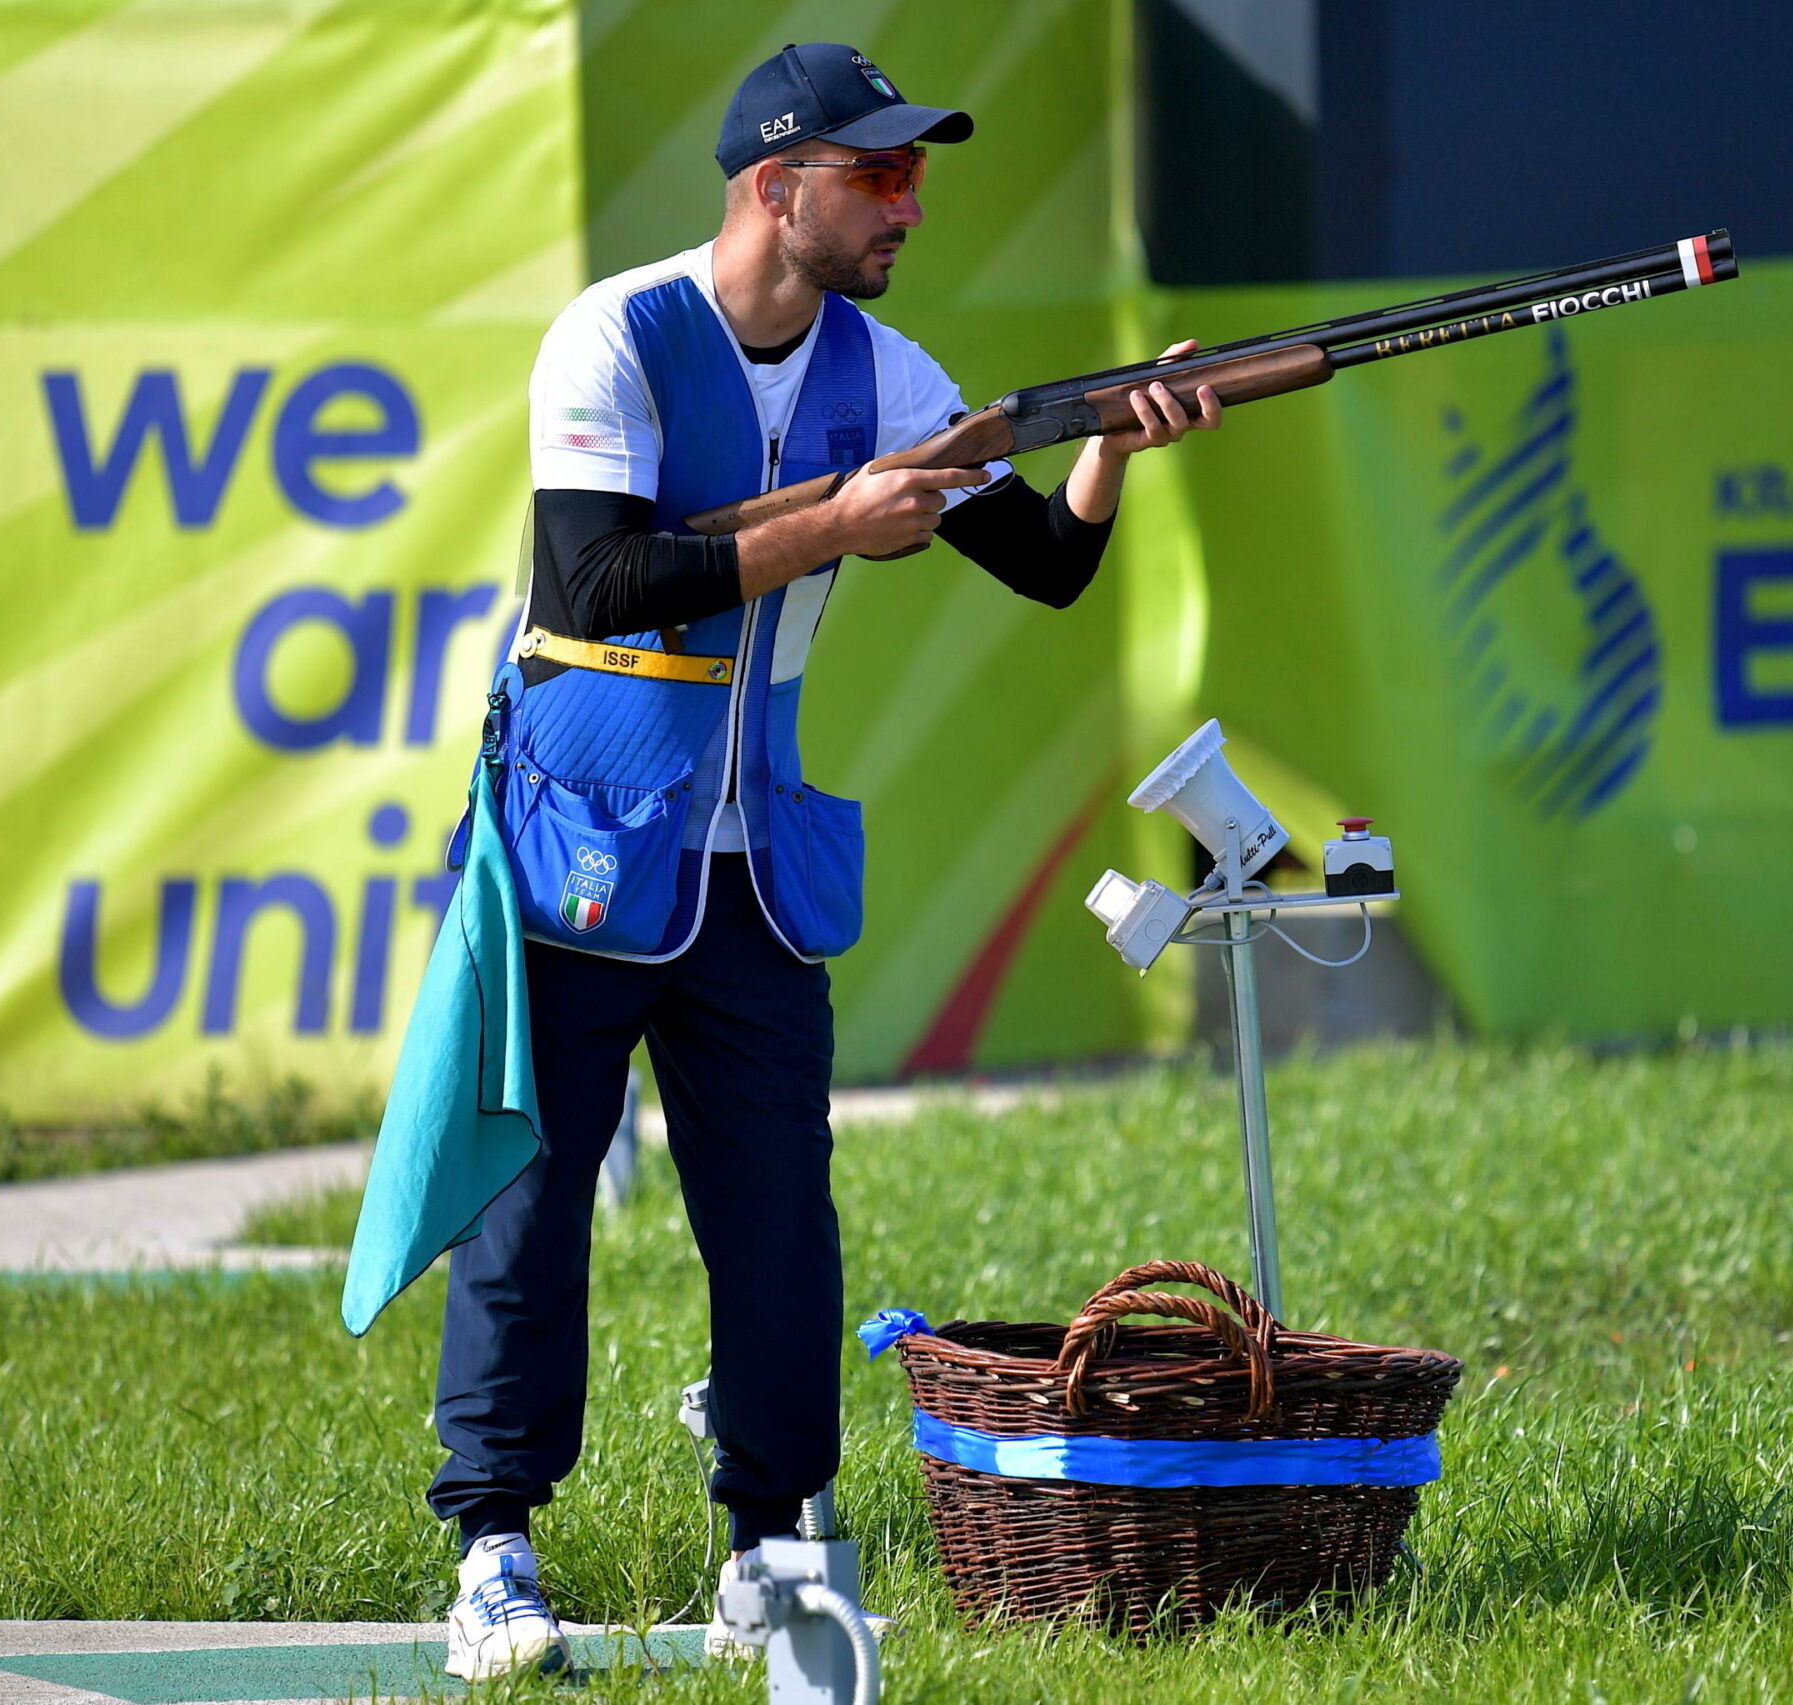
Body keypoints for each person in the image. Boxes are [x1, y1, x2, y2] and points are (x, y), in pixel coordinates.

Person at [430, 42, 1221, 1679]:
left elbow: (1054, 566)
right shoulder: (616, 335)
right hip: (579, 836)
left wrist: (1114, 446)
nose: (909, 204)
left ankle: (773, 1546)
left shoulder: (895, 371)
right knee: (527, 1201)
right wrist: (833, 527)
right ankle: (495, 1550)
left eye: (914, 173)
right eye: (880, 174)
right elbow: (595, 583)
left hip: (755, 869)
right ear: (773, 188)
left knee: (783, 1220)